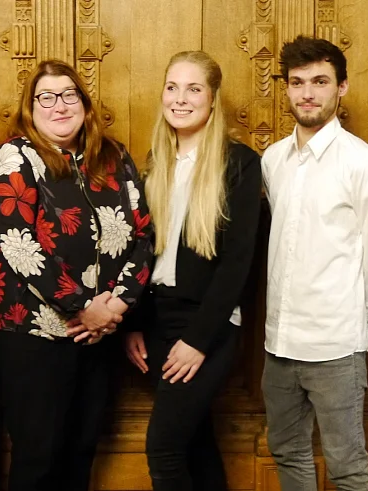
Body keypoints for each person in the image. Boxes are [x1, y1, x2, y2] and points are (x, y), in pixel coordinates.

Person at [0, 59, 154, 491]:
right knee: (39, 456)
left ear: (83, 103)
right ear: (31, 107)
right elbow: (19, 244)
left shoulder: (112, 155)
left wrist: (115, 306)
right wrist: (83, 307)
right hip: (33, 334)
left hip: (100, 333)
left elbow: (144, 234)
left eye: (68, 95)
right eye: (46, 97)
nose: (59, 106)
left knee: (81, 451)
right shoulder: (15, 157)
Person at [261, 35, 368, 491]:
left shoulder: (365, 164)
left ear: (341, 88)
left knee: (347, 467)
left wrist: (354, 321)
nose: (307, 93)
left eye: (320, 81)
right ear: (285, 88)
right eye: (298, 82)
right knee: (288, 452)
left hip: (336, 347)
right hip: (278, 344)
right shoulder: (273, 160)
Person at [123, 51, 262, 491]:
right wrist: (136, 324)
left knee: (164, 449)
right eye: (172, 87)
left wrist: (199, 340)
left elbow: (239, 263)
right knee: (196, 445)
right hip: (161, 321)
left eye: (193, 89)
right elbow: (146, 255)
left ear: (213, 98)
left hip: (209, 325)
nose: (180, 99)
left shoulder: (239, 163)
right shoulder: (156, 161)